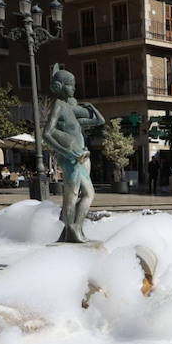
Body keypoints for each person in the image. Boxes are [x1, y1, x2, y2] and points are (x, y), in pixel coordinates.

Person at [42, 66, 106, 242]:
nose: (74, 88)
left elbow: (99, 120)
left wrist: (91, 107)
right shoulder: (58, 106)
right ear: (60, 86)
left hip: (78, 159)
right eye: (70, 85)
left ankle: (74, 228)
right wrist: (67, 152)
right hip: (71, 159)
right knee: (72, 196)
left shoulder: (69, 110)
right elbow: (46, 133)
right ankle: (72, 231)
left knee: (87, 194)